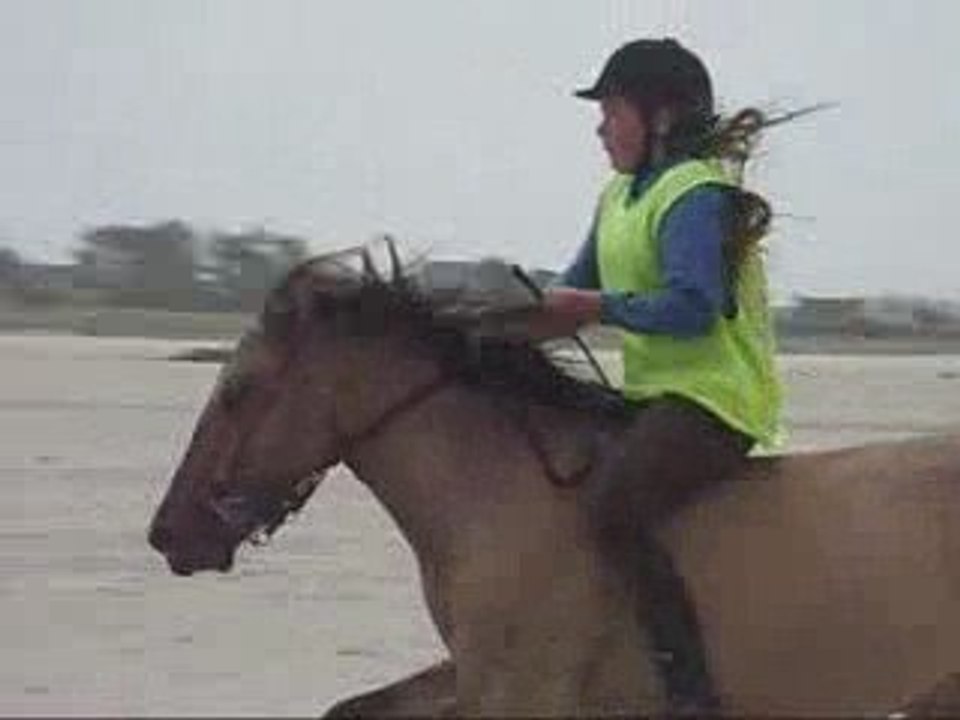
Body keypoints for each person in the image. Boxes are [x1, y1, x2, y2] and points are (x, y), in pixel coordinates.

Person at [527, 38, 785, 714]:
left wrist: (598, 308)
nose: (601, 127)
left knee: (611, 508)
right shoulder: (618, 197)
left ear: (661, 117)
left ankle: (689, 690)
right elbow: (570, 293)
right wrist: (488, 324)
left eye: (612, 110)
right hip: (649, 400)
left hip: (715, 401)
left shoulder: (695, 194)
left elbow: (693, 306)